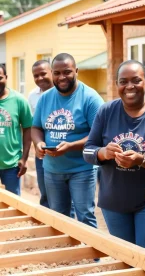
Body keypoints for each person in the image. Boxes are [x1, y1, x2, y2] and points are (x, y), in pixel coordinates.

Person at [83, 60, 145, 254]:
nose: (129, 86)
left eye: (136, 80)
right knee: (123, 255)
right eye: (123, 81)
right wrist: (103, 153)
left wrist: (141, 160)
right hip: (114, 202)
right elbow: (87, 151)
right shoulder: (106, 112)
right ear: (117, 85)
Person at [31, 53, 104, 228]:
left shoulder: (90, 98)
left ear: (76, 71)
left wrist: (70, 146)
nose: (62, 77)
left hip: (82, 169)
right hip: (52, 170)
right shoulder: (45, 98)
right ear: (52, 73)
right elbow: (36, 128)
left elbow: (99, 135)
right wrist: (38, 143)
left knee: (85, 215)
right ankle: (67, 255)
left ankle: (92, 255)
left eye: (67, 72)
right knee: (59, 217)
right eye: (57, 73)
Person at [0, 64, 32, 195]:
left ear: (6, 77)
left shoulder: (19, 101)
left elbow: (28, 129)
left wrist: (24, 158)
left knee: (14, 206)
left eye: (0, 77)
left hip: (12, 165)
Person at [28, 60, 53, 207]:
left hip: (63, 150)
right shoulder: (33, 96)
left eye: (43, 74)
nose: (40, 78)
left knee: (67, 200)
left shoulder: (64, 93)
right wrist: (37, 144)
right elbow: (34, 125)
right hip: (42, 152)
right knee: (45, 194)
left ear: (51, 72)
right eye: (36, 75)